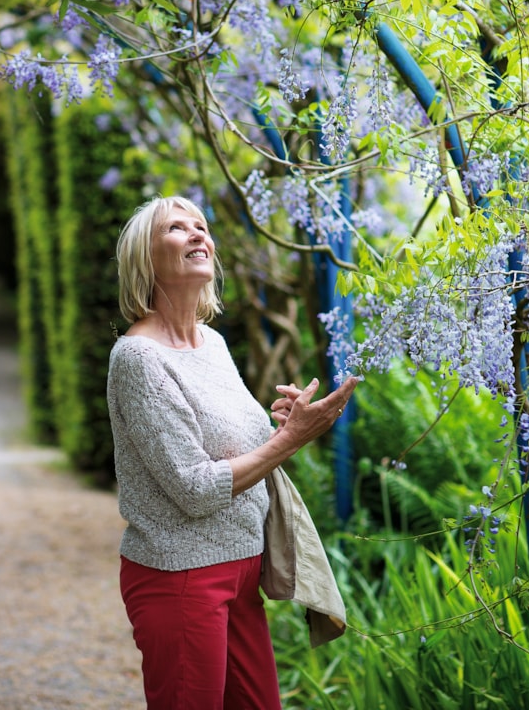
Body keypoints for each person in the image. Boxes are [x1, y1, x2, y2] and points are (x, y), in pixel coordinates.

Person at [107, 195, 359, 709]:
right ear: (145, 258)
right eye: (177, 228)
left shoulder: (212, 343)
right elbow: (196, 488)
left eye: (202, 225)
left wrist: (281, 429)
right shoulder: (138, 359)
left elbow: (233, 451)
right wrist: (289, 442)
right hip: (181, 577)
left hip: (244, 569)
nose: (198, 234)